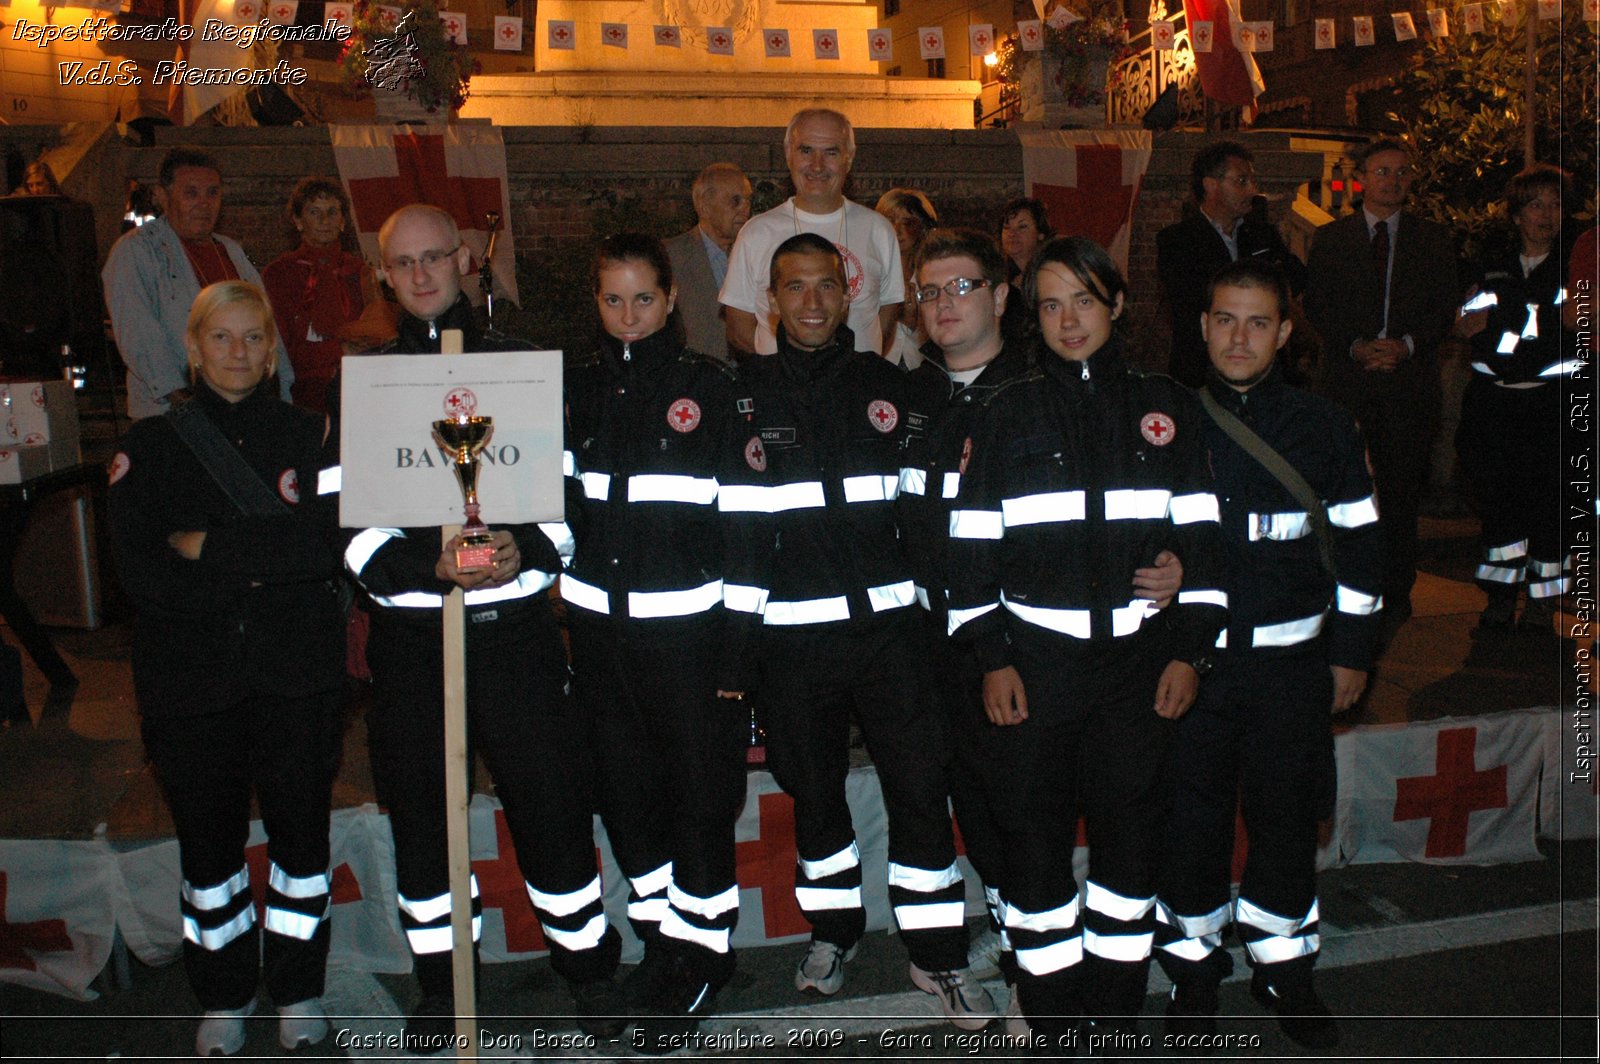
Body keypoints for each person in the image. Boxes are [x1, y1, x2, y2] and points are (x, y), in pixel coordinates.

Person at [326, 205, 623, 1050]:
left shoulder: (523, 373)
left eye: (435, 258)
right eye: (403, 263)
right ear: (385, 275)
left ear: (463, 260)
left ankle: (589, 974)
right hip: (416, 645)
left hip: (515, 637)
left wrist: (518, 553)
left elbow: (570, 500)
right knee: (422, 824)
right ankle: (442, 984)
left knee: (552, 808)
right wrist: (428, 568)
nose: (422, 276)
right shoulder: (367, 382)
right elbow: (345, 525)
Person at [899, 228, 1185, 1033]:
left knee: (1129, 854)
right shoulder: (1004, 411)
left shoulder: (1163, 404)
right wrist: (993, 658)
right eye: (1051, 303)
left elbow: (1202, 528)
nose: (1067, 320)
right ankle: (1054, 1018)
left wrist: (1190, 614)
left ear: (1116, 305)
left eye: (1084, 301)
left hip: (1133, 674)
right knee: (1034, 850)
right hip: (1037, 671)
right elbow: (970, 548)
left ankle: (1116, 1016)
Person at [734, 232, 996, 1029]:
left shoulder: (900, 390)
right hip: (791, 646)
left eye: (825, 285)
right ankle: (834, 932)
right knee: (815, 801)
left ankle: (939, 956)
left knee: (920, 794)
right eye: (794, 287)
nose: (811, 301)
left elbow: (942, 511)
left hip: (894, 639)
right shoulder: (739, 398)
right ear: (770, 300)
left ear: (848, 294)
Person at [107, 281, 344, 1057]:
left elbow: (324, 550)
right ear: (193, 346)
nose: (237, 353)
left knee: (301, 844)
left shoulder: (314, 437)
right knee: (208, 854)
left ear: (271, 348)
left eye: (252, 339)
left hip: (296, 674)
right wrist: (258, 570)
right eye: (221, 337)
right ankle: (224, 993)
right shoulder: (149, 446)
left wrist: (206, 544)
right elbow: (138, 570)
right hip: (191, 679)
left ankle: (300, 990)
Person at [1155, 261, 1384, 1051]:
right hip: (1194, 668)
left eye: (1258, 322)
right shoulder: (1165, 420)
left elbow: (1361, 547)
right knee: (1191, 826)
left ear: (1285, 333)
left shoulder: (1325, 427)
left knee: (1288, 822)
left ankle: (1285, 966)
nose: (1239, 337)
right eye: (1224, 319)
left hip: (1292, 670)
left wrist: (1352, 654)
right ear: (1203, 325)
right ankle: (1191, 971)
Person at [561, 233, 766, 1049]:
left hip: (691, 649)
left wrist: (738, 656)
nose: (628, 315)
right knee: (626, 801)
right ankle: (662, 943)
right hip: (600, 646)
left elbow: (749, 534)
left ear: (673, 299)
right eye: (612, 299)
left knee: (700, 803)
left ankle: (705, 955)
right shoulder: (571, 390)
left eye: (643, 298)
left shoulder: (710, 390)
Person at [1306, 138, 1459, 636]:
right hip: (1347, 388)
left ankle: (1395, 591)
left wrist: (1407, 346)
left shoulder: (1433, 240)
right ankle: (1341, 584)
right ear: (1363, 179)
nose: (1393, 181)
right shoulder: (1331, 241)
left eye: (1401, 172)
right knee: (1343, 493)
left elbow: (1444, 308)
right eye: (1382, 171)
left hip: (1406, 390)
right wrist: (1354, 347)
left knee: (1398, 495)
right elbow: (1317, 307)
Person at [1452, 165, 1578, 631]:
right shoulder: (1492, 264)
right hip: (1496, 406)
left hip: (1550, 406)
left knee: (1550, 503)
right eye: (1536, 204)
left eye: (1555, 203)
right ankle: (1500, 596)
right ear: (1517, 214)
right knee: (1500, 502)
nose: (1546, 214)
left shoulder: (1576, 264)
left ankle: (1545, 601)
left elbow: (1576, 327)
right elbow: (1467, 322)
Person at [103, 147, 292, 419]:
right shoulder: (136, 251)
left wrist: (280, 391)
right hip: (172, 413)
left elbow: (265, 323)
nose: (204, 203)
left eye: (212, 193)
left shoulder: (231, 250)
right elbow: (139, 336)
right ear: (163, 197)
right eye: (191, 193)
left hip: (244, 408)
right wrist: (186, 403)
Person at [720, 108, 903, 357]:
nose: (817, 166)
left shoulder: (879, 230)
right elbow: (739, 328)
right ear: (788, 155)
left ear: (849, 158)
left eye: (831, 152)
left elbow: (887, 317)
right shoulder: (756, 234)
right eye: (806, 151)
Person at [1157, 141, 1305, 388]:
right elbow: (1191, 299)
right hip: (1203, 373)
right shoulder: (1178, 240)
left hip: (1264, 373)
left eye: (1252, 182)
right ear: (1211, 185)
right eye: (1241, 181)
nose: (1252, 190)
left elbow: (1296, 277)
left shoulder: (1261, 234)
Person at [262, 177, 385, 413]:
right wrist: (340, 351)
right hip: (301, 394)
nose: (324, 220)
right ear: (298, 221)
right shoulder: (279, 273)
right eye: (314, 212)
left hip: (359, 389)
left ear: (343, 221)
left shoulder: (360, 271)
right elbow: (278, 346)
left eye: (332, 211)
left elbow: (377, 333)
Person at [664, 163, 752, 365]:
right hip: (696, 380)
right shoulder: (671, 257)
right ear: (704, 206)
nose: (745, 208)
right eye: (735, 200)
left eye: (748, 200)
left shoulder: (758, 253)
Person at [875, 187, 938, 369]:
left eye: (907, 223)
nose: (897, 229)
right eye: (890, 220)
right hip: (878, 365)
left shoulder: (933, 274)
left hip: (920, 367)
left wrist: (914, 323)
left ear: (923, 228)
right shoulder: (870, 273)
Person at [997, 197, 1051, 286]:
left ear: (1040, 234)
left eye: (1022, 227)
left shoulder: (1052, 273)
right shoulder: (998, 276)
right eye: (1007, 227)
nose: (1012, 234)